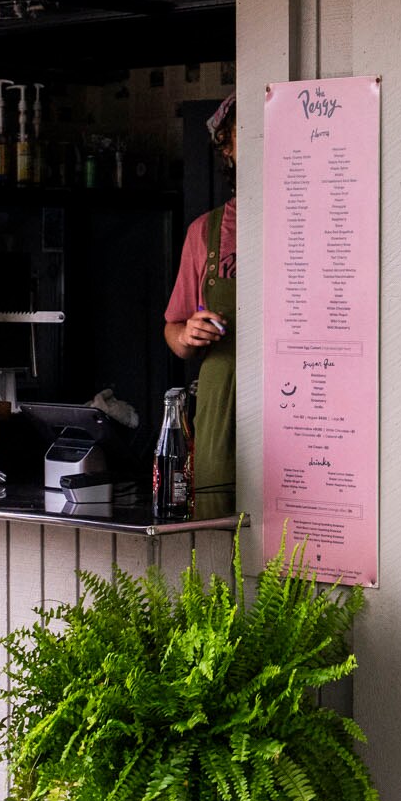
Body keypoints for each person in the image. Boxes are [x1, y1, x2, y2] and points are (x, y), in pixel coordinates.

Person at [160, 94, 240, 514]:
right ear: (226, 146)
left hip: (302, 401)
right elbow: (173, 331)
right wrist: (189, 333)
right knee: (218, 529)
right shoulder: (205, 231)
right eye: (243, 132)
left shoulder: (311, 221)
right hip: (221, 407)